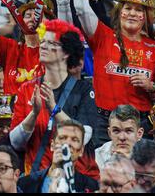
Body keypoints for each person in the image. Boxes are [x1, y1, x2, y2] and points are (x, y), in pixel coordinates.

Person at [75, 0, 155, 146]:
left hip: (141, 123)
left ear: (149, 17)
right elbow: (80, 7)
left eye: (139, 10)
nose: (132, 13)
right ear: (119, 12)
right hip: (104, 124)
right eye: (127, 8)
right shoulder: (102, 35)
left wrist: (152, 88)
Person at [9, 19, 98, 179]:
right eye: (43, 42)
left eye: (52, 43)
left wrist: (54, 108)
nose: (43, 46)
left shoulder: (84, 89)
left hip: (77, 177)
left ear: (66, 52)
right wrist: (34, 114)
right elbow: (16, 143)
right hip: (38, 178)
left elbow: (84, 136)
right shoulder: (26, 89)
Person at [0, 0, 56, 96]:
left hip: (44, 110)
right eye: (28, 15)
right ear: (20, 22)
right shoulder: (10, 49)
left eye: (38, 16)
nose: (33, 19)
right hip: (11, 110)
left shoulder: (57, 52)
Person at [17, 119, 99, 193]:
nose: (67, 144)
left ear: (81, 150)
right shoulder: (24, 185)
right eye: (62, 138)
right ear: (52, 145)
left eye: (74, 140)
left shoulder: (92, 187)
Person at [95, 104, 144, 172]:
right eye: (116, 131)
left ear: (139, 133)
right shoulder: (98, 156)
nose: (122, 137)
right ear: (109, 133)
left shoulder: (149, 157)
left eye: (128, 131)